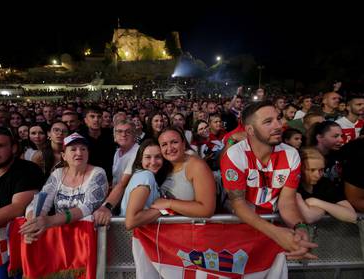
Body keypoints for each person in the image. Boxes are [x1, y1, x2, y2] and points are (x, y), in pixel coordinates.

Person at [220, 101, 317, 260]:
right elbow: (238, 204)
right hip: (240, 230)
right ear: (250, 130)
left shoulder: (291, 154)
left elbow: (287, 203)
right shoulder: (234, 155)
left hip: (272, 226)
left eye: (278, 119)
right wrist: (276, 233)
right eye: (268, 122)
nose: (278, 125)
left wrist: (300, 228)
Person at [20, 133, 108, 243]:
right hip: (61, 237)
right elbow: (41, 200)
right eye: (73, 149)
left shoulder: (98, 173)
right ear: (64, 155)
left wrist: (50, 221)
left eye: (83, 149)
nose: (79, 153)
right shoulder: (57, 173)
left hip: (87, 237)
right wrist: (33, 222)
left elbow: (88, 207)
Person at [150, 127, 215, 217]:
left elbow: (207, 210)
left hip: (192, 229)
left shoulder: (197, 166)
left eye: (174, 142)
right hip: (167, 228)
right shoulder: (163, 166)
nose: (170, 148)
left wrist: (169, 204)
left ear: (183, 144)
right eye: (164, 144)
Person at [121, 139, 171, 229]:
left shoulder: (145, 176)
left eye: (158, 157)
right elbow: (131, 221)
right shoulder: (146, 176)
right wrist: (166, 207)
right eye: (148, 157)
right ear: (140, 159)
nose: (153, 162)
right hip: (131, 239)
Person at [296, 147, 356, 223]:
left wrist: (316, 202)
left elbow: (352, 216)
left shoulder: (325, 183)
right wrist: (329, 209)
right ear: (300, 168)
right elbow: (309, 217)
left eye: (321, 170)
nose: (318, 175)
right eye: (312, 170)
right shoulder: (294, 186)